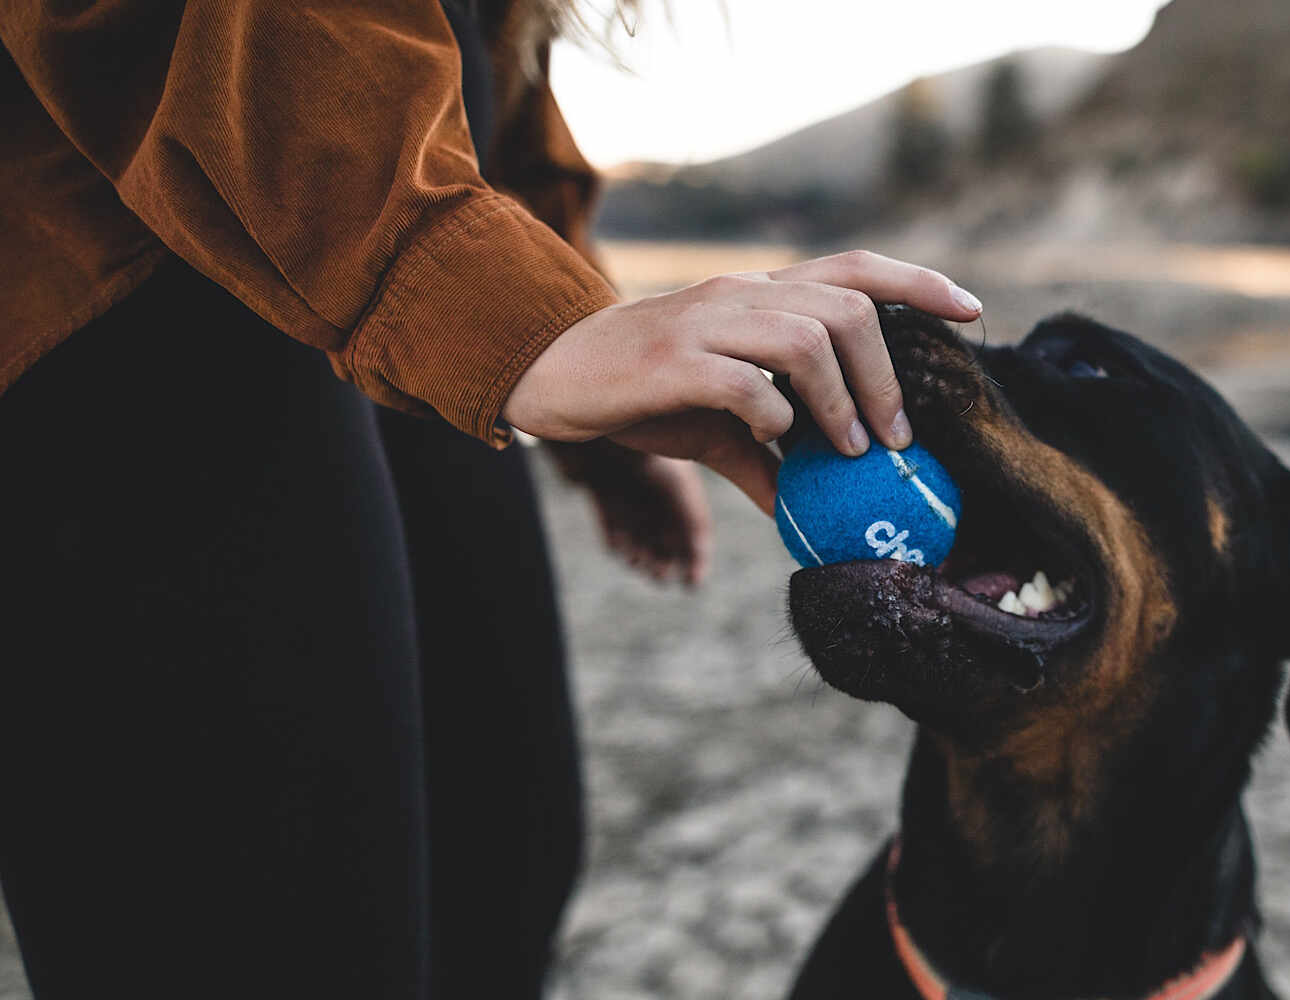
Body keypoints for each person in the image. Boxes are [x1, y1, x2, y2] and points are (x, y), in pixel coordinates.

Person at [0, 2, 981, 997]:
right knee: (285, 942)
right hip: (113, 289)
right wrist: (498, 307)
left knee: (503, 860)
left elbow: (485, 82)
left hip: (363, 251)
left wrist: (582, 352)